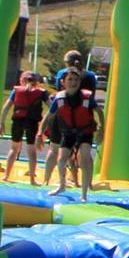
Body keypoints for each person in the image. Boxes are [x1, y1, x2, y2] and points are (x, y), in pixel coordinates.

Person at [40, 69, 101, 201]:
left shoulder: (87, 98)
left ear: (80, 82)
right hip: (68, 133)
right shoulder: (59, 99)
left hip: (85, 132)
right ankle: (62, 185)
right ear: (63, 82)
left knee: (84, 158)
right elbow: (48, 116)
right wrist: (40, 132)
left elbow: (99, 111)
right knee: (61, 160)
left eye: (76, 80)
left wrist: (101, 128)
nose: (73, 82)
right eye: (70, 80)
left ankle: (84, 194)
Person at [0, 71, 49, 184]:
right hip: (32, 122)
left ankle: (6, 175)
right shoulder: (41, 92)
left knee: (14, 148)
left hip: (18, 121)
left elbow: (6, 107)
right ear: (36, 82)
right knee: (31, 150)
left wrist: (1, 123)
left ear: (21, 80)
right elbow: (51, 106)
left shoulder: (16, 91)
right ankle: (32, 179)